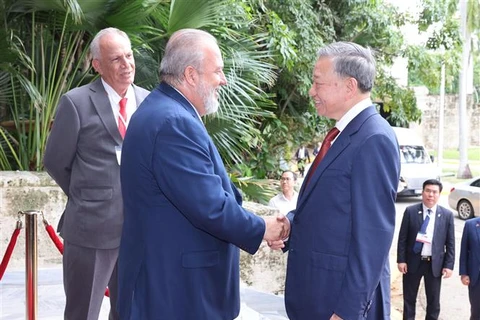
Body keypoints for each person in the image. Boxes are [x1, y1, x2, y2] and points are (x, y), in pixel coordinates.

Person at [117, 28, 288, 320]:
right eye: (218, 71)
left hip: (165, 285)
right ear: (191, 75)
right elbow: (210, 206)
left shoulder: (161, 110)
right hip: (177, 295)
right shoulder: (173, 122)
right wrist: (264, 228)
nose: (223, 80)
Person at [269, 41, 400, 319]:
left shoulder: (373, 138)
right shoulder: (344, 134)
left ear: (349, 86)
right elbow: (331, 207)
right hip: (317, 297)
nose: (311, 91)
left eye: (318, 83)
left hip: (338, 305)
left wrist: (347, 312)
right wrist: (292, 224)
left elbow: (373, 239)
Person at [43, 28, 150, 320]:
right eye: (116, 59)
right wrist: (89, 195)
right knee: (82, 313)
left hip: (138, 231)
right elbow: (55, 161)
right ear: (97, 64)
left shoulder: (148, 101)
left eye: (129, 55)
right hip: (91, 231)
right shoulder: (75, 103)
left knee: (129, 311)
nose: (127, 65)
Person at [397, 179, 455, 320]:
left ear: (439, 195)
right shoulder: (411, 211)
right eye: (428, 191)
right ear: (422, 192)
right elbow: (403, 238)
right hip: (413, 262)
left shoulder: (447, 215)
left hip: (434, 264)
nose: (431, 195)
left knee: (433, 303)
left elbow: (451, 243)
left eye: (434, 192)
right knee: (409, 300)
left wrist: (448, 265)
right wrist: (401, 260)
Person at [459, 216, 480, 319]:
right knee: (476, 311)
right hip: (476, 277)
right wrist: (464, 273)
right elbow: (464, 251)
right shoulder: (470, 224)